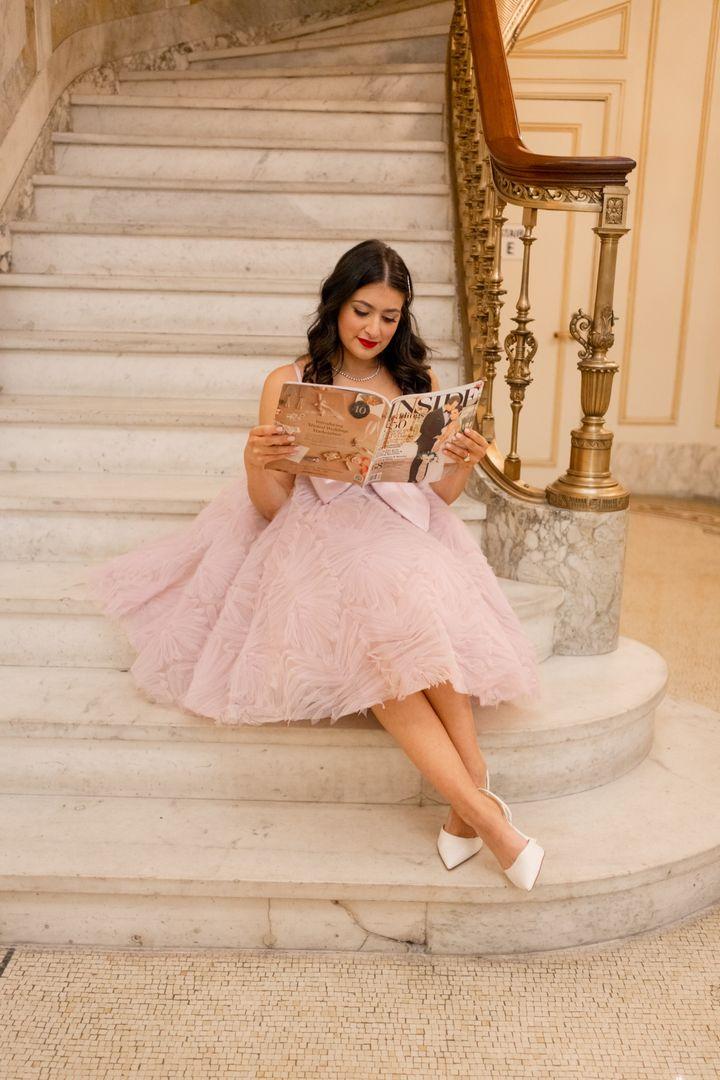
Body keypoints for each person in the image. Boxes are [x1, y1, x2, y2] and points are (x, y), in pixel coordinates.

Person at [86, 238, 546, 892]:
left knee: (416, 597)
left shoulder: (420, 383)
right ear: (336, 303)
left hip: (403, 527)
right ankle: (485, 815)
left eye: (389, 317)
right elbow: (272, 508)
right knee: (381, 631)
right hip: (317, 529)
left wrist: (462, 460)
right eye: (363, 311)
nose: (373, 330)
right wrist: (257, 461)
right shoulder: (289, 381)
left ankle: (473, 807)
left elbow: (436, 497)